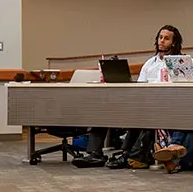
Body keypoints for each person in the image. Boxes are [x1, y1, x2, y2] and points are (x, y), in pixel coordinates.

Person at [73, 25, 184, 169]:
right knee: (102, 109)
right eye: (160, 37)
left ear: (174, 43)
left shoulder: (178, 63)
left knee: (140, 115)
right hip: (143, 100)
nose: (161, 41)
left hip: (162, 105)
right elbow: (139, 85)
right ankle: (95, 154)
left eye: (166, 38)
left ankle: (127, 154)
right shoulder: (150, 63)